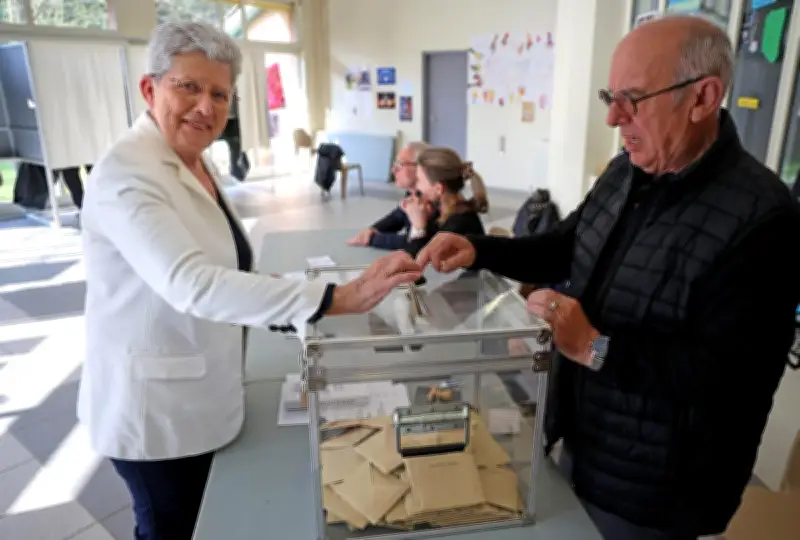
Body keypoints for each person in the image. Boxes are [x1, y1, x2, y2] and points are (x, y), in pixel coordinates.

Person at [416, 16, 800, 540]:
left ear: (703, 98)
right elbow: (567, 247)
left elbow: (726, 380)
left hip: (658, 489)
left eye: (634, 98)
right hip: (585, 436)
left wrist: (595, 348)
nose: (615, 118)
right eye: (610, 96)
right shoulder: (628, 171)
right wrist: (477, 250)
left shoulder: (764, 219)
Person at [77, 22, 421, 540]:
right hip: (154, 416)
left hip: (202, 393)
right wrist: (335, 298)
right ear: (151, 88)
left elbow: (226, 270)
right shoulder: (127, 173)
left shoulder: (193, 160)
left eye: (219, 93)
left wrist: (331, 287)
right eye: (188, 86)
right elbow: (192, 283)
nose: (206, 107)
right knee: (169, 527)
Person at [401, 146, 488, 258]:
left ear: (438, 188)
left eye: (419, 180)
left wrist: (418, 225)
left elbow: (413, 264)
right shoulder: (440, 212)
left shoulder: (460, 224)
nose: (416, 186)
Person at [347, 141, 433, 249]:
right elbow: (398, 217)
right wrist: (372, 230)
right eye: (394, 164)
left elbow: (415, 243)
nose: (393, 170)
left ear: (420, 167)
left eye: (400, 165)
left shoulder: (432, 200)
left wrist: (373, 238)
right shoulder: (414, 193)